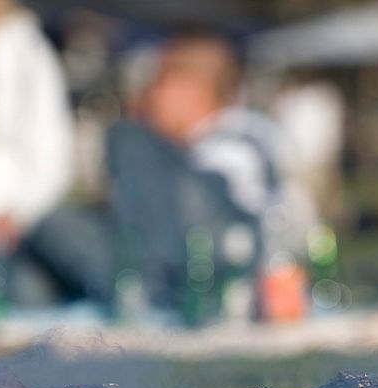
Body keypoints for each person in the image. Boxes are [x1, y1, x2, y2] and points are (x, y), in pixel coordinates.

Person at [107, 31, 316, 324]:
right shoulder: (245, 134)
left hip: (232, 290)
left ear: (193, 89)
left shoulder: (231, 147)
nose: (147, 96)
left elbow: (262, 231)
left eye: (158, 82)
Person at [0, 0, 73, 306]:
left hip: (7, 232)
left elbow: (51, 151)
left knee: (26, 294)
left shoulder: (24, 47)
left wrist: (17, 215)